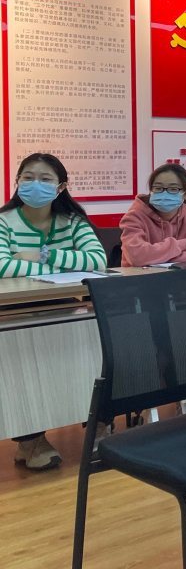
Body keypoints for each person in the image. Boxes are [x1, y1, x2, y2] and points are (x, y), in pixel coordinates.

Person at [1, 153, 106, 471]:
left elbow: (97, 260)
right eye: (28, 177)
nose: (35, 184)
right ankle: (30, 441)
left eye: (45, 179)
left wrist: (41, 254)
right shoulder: (4, 220)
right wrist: (66, 262)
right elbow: (2, 267)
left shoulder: (71, 220)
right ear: (17, 182)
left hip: (62, 304)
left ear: (60, 187)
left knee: (90, 350)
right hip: (12, 311)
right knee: (22, 367)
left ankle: (98, 427)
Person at [119, 164, 186, 267]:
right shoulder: (134, 217)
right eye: (158, 188)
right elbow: (138, 257)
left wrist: (158, 257)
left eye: (173, 189)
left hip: (183, 276)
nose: (164, 194)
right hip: (141, 276)